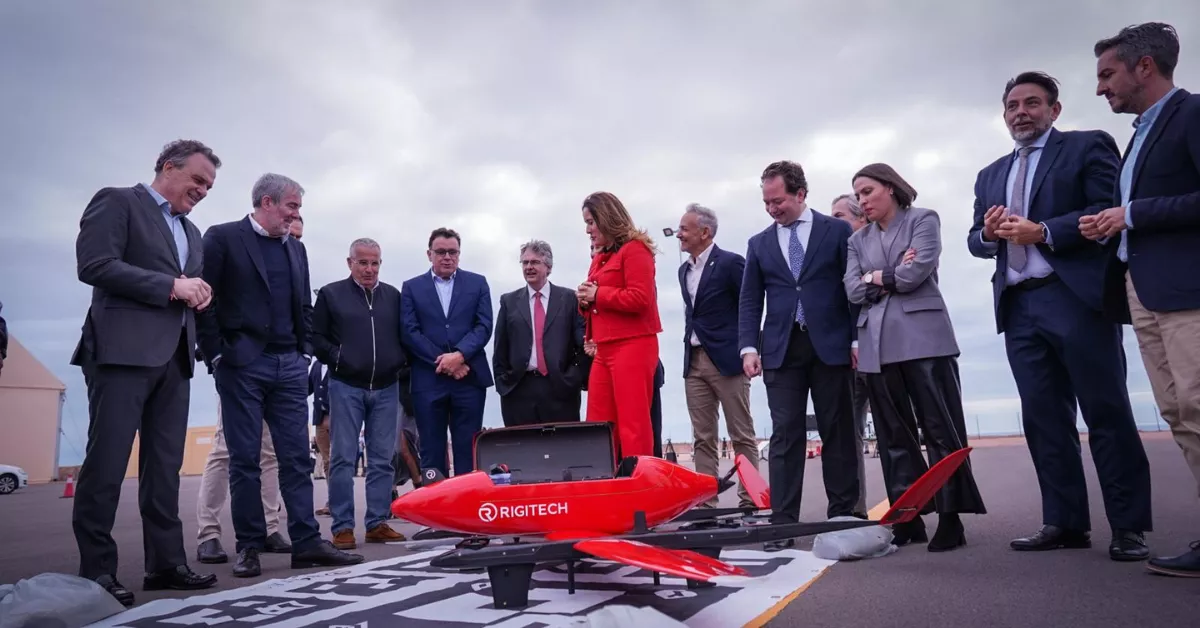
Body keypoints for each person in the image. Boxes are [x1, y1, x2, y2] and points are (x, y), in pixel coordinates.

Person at [968, 70, 1151, 560]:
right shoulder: (989, 175)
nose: (1020, 113)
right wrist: (989, 235)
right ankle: (1065, 521)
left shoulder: (1088, 146)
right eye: (1012, 105)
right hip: (1019, 307)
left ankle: (1129, 527)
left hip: (1075, 297)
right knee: (1045, 421)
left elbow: (1108, 208)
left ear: (1055, 110)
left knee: (1106, 411)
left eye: (1032, 103)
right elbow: (974, 240)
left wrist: (1044, 231)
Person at [70, 140, 221, 606]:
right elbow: (94, 265)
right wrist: (172, 286)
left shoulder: (193, 233)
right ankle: (96, 571)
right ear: (167, 167)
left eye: (209, 186)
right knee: (107, 465)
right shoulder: (117, 201)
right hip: (120, 354)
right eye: (197, 179)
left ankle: (166, 563)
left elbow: (183, 288)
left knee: (165, 469)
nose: (202, 190)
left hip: (175, 358)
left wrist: (200, 294)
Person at [197, 172, 363, 578]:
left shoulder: (295, 249)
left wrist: (303, 350)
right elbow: (204, 299)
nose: (296, 214)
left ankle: (306, 542)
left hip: (288, 366)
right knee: (244, 460)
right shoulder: (221, 238)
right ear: (266, 203)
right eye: (292, 206)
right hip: (242, 366)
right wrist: (217, 355)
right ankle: (249, 546)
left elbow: (303, 304)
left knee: (294, 459)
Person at [1082, 22, 1200, 576]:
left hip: (1186, 292)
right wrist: (1112, 226)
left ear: (1144, 66)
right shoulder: (1139, 136)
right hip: (1143, 291)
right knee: (1180, 413)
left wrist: (1133, 214)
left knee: (1198, 407)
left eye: (1108, 75)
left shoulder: (1192, 114)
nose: (1102, 88)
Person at [845, 162, 986, 551]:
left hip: (926, 341)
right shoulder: (857, 242)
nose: (862, 200)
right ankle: (908, 519)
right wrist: (885, 276)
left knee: (940, 429)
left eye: (868, 191)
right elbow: (853, 292)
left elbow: (915, 273)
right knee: (894, 436)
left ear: (890, 188)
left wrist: (876, 277)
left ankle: (951, 517)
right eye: (857, 195)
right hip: (877, 345)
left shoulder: (924, 220)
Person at [738, 161, 861, 550]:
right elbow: (749, 300)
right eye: (767, 203)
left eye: (779, 201)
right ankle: (783, 523)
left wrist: (856, 340)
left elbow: (852, 289)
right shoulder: (759, 244)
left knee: (837, 432)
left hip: (831, 346)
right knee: (785, 435)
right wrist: (748, 347)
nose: (773, 209)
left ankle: (843, 516)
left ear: (801, 194)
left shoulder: (837, 231)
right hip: (781, 350)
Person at [312, 237, 409, 548]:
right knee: (342, 457)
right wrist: (339, 358)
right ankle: (342, 526)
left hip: (385, 387)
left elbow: (405, 335)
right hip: (346, 386)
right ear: (349, 262)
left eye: (375, 262)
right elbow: (316, 338)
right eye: (363, 262)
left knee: (382, 459)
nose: (369, 269)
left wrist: (399, 363)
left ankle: (377, 522)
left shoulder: (393, 297)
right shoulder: (331, 295)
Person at [675, 203, 759, 509]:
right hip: (693, 360)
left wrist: (750, 348)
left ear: (705, 232)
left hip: (727, 361)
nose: (679, 235)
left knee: (742, 434)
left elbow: (749, 306)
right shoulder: (683, 270)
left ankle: (750, 499)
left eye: (684, 229)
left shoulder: (731, 264)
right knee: (702, 437)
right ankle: (706, 504)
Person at [400, 227, 494, 477]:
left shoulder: (478, 283)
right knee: (431, 448)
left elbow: (484, 326)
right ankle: (435, 511)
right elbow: (410, 332)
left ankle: (466, 509)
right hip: (428, 379)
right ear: (429, 254)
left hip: (469, 379)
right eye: (441, 252)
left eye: (453, 252)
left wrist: (460, 355)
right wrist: (445, 362)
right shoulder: (411, 288)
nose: (447, 257)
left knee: (468, 448)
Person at [577, 192, 662, 458]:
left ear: (606, 218)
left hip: (634, 344)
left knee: (633, 423)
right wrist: (585, 302)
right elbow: (599, 303)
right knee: (599, 422)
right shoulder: (601, 257)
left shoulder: (636, 250)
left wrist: (597, 295)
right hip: (605, 349)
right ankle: (605, 483)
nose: (588, 230)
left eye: (591, 222)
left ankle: (641, 484)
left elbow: (640, 298)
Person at [493, 239, 590, 426]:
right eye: (525, 262)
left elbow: (582, 342)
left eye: (535, 262)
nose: (529, 267)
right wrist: (503, 384)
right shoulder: (509, 302)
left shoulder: (569, 299)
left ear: (548, 267)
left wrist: (574, 377)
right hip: (519, 390)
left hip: (560, 389)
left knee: (561, 450)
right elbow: (500, 348)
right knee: (523, 452)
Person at [830, 193, 871, 517]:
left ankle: (914, 511)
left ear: (861, 219)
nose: (833, 223)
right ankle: (855, 510)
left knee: (896, 432)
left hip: (884, 348)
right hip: (849, 357)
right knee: (849, 433)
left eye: (840, 216)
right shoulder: (835, 257)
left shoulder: (877, 246)